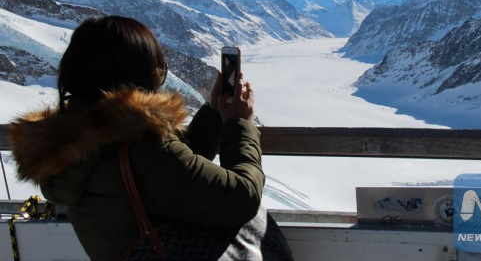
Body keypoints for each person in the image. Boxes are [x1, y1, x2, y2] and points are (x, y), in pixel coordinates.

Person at [8, 16, 289, 260]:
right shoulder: (138, 148)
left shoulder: (71, 144)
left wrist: (214, 114)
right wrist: (238, 124)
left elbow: (174, 176)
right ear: (139, 77)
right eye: (158, 69)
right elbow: (241, 198)